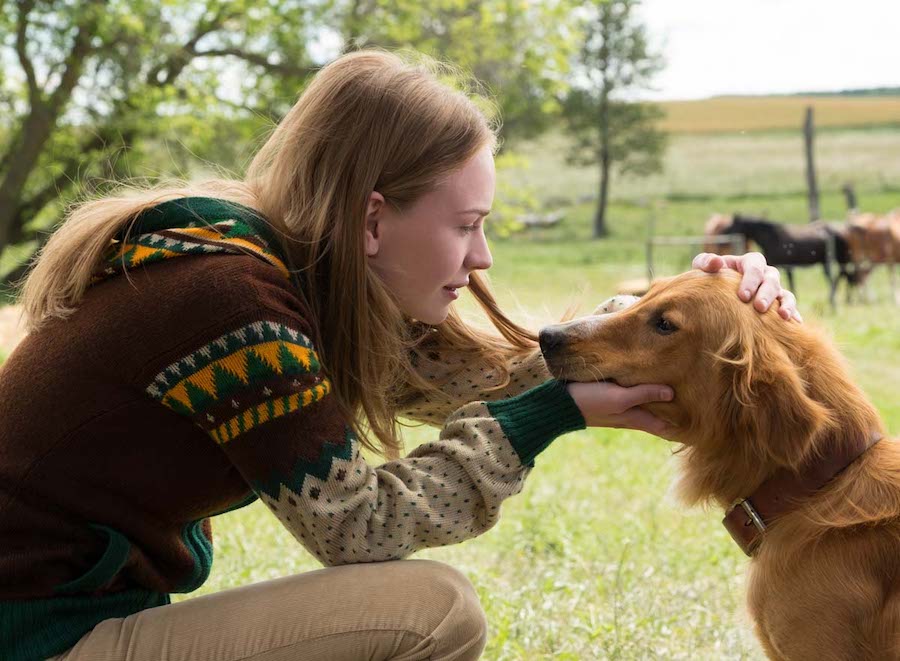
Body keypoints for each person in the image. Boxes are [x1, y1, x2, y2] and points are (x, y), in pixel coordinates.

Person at [0, 49, 799, 661]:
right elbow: (360, 526)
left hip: (75, 617)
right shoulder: (236, 309)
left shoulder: (283, 275)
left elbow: (486, 372)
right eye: (466, 224)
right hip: (39, 637)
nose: (481, 256)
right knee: (434, 608)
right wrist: (552, 412)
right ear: (374, 220)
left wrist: (685, 307)